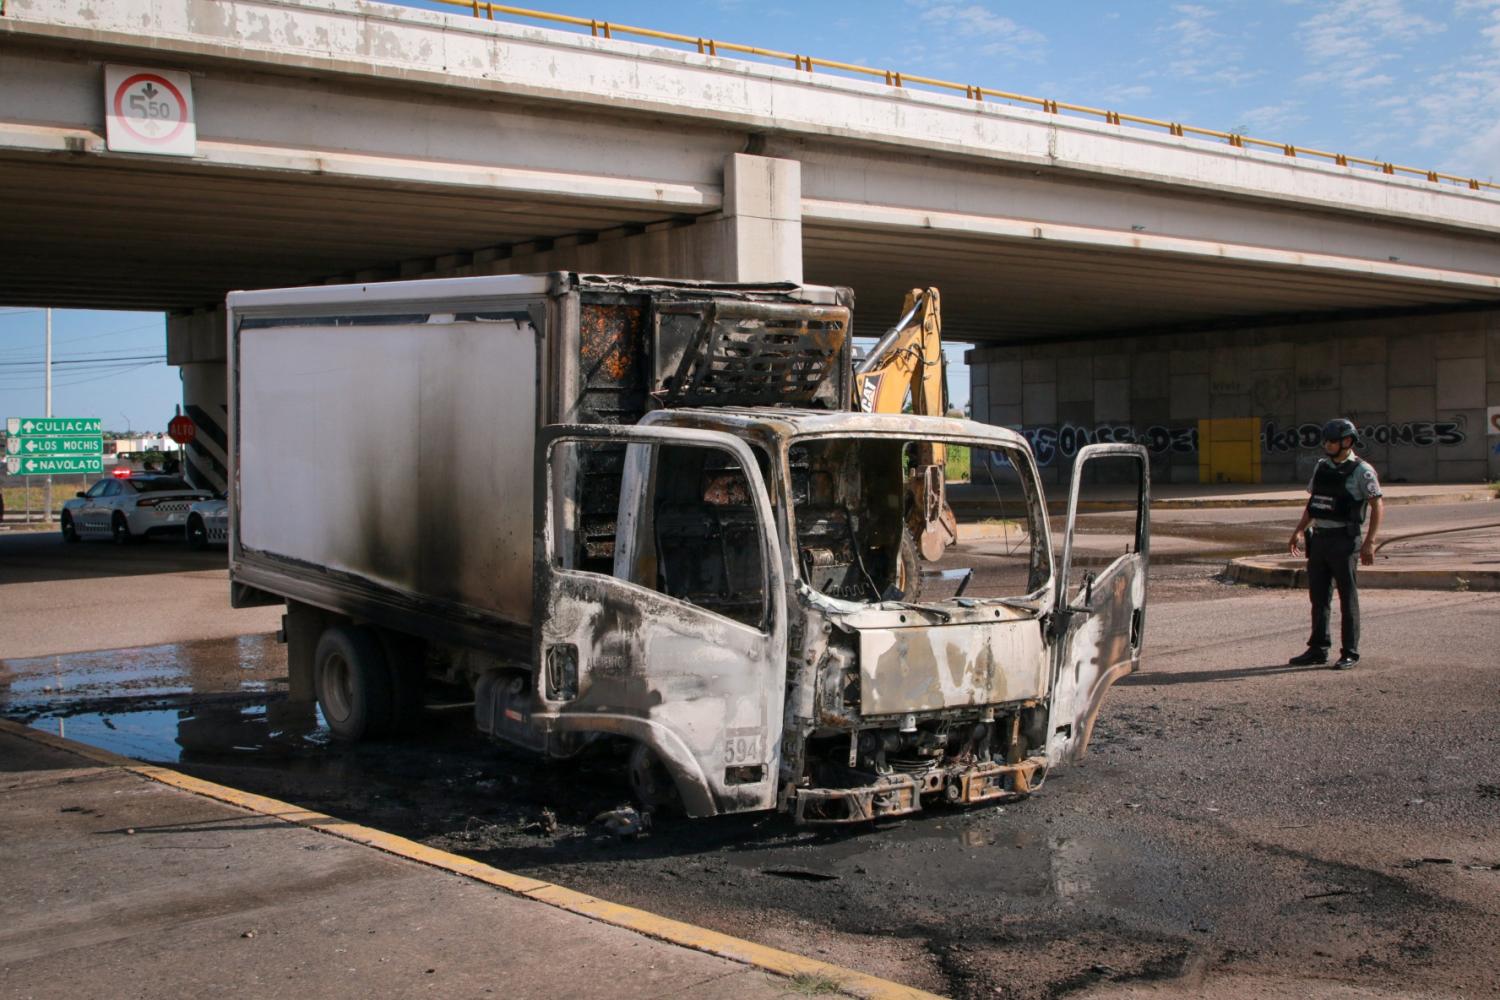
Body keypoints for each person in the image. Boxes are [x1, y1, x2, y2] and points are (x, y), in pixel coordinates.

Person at [1286, 418, 1383, 670]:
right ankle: (1318, 648)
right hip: (1319, 540)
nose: (1327, 445)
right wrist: (1298, 531)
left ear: (1347, 441)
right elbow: (1314, 504)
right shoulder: (1321, 467)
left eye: (1332, 441)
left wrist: (1369, 542)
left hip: (1345, 540)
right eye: (1326, 441)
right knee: (1318, 597)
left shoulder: (1363, 471)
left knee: (1347, 597)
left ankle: (1349, 651)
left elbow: (1376, 504)